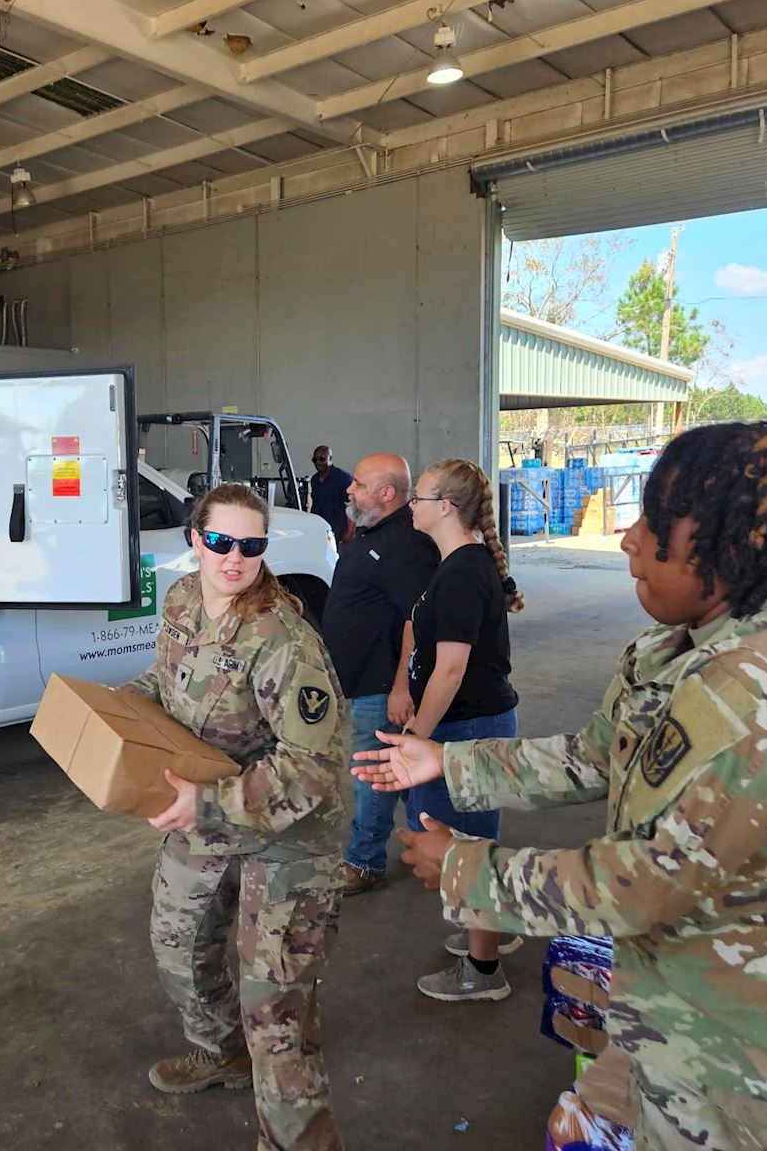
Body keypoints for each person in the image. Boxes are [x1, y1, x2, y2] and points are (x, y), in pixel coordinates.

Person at [355, 418, 767, 1148]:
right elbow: (597, 756)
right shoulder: (683, 648)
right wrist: (446, 762)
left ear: (729, 546)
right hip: (711, 1019)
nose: (628, 540)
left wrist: (465, 867)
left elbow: (653, 880)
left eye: (655, 524)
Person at [128, 482, 348, 1151]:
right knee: (178, 945)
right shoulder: (184, 600)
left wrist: (210, 805)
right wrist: (115, 711)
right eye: (221, 542)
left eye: (251, 546)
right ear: (195, 540)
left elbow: (311, 772)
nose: (235, 558)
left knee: (274, 1015)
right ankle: (220, 1050)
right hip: (211, 805)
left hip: (292, 834)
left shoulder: (284, 640)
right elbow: (169, 685)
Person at [400, 459, 524, 1004]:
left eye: (419, 498)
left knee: (466, 849)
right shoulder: (460, 564)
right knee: (470, 844)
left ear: (444, 508)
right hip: (469, 725)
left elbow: (450, 670)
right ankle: (486, 933)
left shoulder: (462, 572)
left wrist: (416, 741)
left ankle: (483, 968)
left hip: (466, 729)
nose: (412, 505)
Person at [318, 453, 438, 896]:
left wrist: (400, 686)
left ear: (387, 494)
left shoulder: (405, 544)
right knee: (400, 774)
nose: (350, 488)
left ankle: (364, 862)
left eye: (361, 485)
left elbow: (417, 619)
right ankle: (435, 842)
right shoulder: (376, 532)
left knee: (372, 774)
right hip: (367, 682)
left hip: (381, 687)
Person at [308, 446, 353, 541]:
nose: (318, 462)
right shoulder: (314, 480)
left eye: (322, 459)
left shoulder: (344, 478)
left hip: (339, 534)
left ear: (330, 458)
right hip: (319, 531)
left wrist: (350, 533)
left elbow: (354, 507)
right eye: (315, 460)